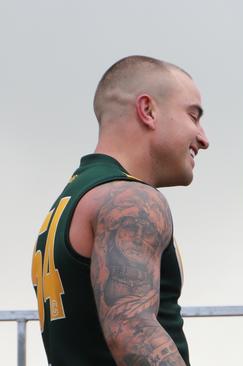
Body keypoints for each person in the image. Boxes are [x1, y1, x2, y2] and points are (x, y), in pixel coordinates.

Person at [30, 55, 209, 365]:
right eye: (193, 116)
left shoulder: (73, 198)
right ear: (148, 110)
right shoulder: (129, 199)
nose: (203, 139)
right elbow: (132, 331)